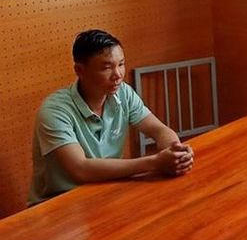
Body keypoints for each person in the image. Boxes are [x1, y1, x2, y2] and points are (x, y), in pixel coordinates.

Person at [28, 30, 194, 205]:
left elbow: (158, 130)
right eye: (107, 67)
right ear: (80, 70)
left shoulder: (123, 92)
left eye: (121, 64)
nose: (118, 75)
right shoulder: (54, 110)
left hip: (106, 189)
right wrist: (155, 163)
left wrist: (176, 152)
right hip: (59, 202)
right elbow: (80, 169)